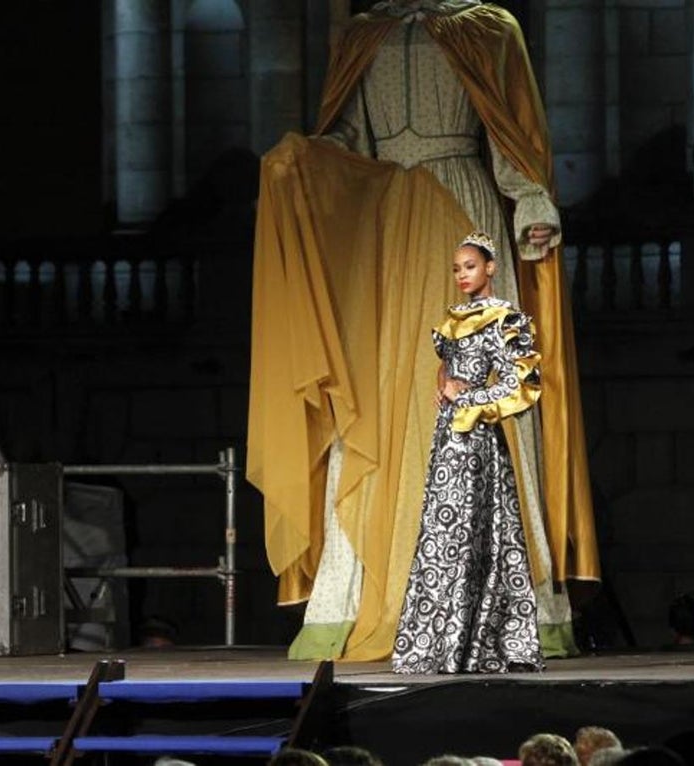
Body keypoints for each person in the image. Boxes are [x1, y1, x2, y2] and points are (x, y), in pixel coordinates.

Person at [247, 0, 599, 664]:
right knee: (377, 397)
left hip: (464, 209)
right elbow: (349, 137)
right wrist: (307, 160)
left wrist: (528, 198)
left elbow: (507, 127)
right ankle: (346, 606)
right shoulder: (362, 35)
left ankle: (512, 608)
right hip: (384, 225)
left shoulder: (488, 28)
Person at [392, 233, 544, 673]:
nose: (462, 275)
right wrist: (445, 385)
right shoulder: (454, 318)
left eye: (470, 266)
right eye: (457, 268)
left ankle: (473, 642)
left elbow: (523, 383)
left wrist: (471, 399)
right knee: (442, 534)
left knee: (474, 532)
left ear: (490, 268)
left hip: (476, 438)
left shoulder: (505, 318)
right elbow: (447, 367)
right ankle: (438, 643)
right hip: (448, 439)